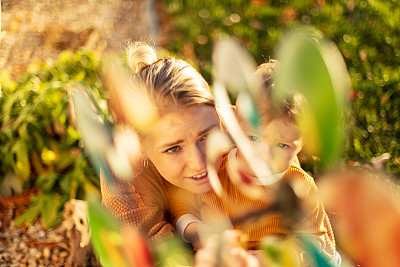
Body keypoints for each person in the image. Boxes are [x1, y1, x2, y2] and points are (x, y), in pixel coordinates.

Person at [170, 60, 341, 265]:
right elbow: (183, 208)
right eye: (253, 139)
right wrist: (198, 231)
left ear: (301, 146)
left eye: (281, 146)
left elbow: (316, 239)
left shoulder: (299, 187)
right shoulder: (218, 171)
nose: (263, 155)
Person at [100, 41, 223, 242]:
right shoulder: (122, 177)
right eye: (174, 148)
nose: (199, 163)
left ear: (218, 115)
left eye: (206, 137)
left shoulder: (247, 130)